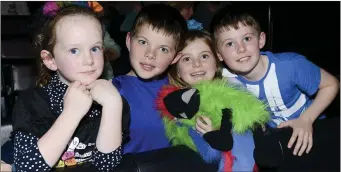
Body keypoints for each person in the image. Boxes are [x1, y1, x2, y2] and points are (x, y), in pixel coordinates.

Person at [210, 6, 340, 170]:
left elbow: (331, 84)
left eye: (247, 39)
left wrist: (306, 119)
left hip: (313, 128)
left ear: (261, 40)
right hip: (280, 141)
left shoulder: (290, 65)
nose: (241, 49)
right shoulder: (227, 83)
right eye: (229, 43)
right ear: (219, 55)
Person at [11, 2, 129, 171]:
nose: (89, 60)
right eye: (74, 50)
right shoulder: (32, 103)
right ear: (50, 60)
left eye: (95, 48)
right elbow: (27, 167)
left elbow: (107, 165)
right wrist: (71, 113)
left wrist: (112, 106)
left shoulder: (114, 101)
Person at [167, 30, 257, 171]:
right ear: (177, 70)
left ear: (216, 62)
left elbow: (241, 155)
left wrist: (212, 133)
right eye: (186, 59)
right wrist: (187, 124)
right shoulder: (177, 103)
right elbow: (206, 155)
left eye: (204, 56)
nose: (196, 64)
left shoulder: (234, 93)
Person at [112, 4, 188, 154]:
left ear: (175, 57)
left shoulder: (181, 92)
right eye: (143, 42)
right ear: (129, 41)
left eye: (163, 49)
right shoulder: (112, 91)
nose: (150, 54)